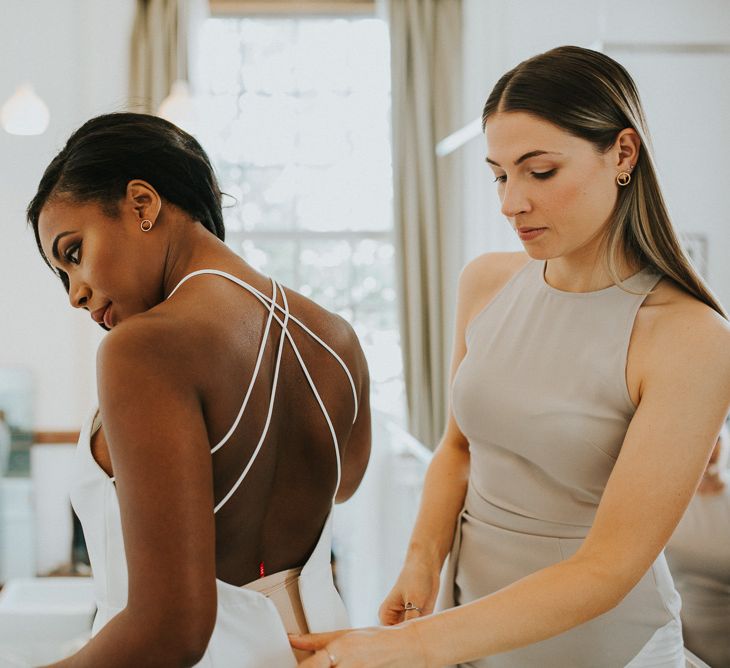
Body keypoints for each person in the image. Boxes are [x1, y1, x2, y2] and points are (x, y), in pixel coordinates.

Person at [290, 45, 730, 667]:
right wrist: (422, 563)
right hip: (474, 633)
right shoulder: (487, 284)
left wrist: (413, 647)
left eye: (540, 172)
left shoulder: (691, 337)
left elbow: (607, 568)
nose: (510, 202)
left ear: (623, 155)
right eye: (499, 174)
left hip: (605, 651)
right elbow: (458, 448)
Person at [27, 112, 371, 667]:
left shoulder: (142, 348)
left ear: (142, 204)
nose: (75, 294)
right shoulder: (337, 339)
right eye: (64, 276)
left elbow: (169, 630)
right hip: (322, 649)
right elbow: (343, 484)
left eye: (73, 253)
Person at [666, 424, 730, 668]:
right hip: (680, 636)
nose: (712, 450)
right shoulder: (669, 504)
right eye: (705, 441)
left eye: (718, 441)